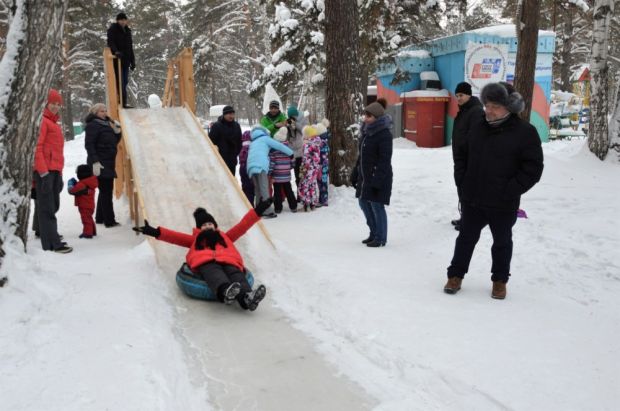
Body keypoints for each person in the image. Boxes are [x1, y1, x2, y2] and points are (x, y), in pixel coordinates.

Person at [444, 82, 544, 300]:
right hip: (473, 198)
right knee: (465, 239)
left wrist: (510, 190)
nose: (489, 110)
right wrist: (462, 181)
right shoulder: (477, 126)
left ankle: (499, 281)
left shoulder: (525, 132)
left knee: (502, 242)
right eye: (487, 105)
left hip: (503, 202)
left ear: (510, 107)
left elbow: (533, 168)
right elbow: (461, 153)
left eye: (495, 106)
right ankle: (455, 275)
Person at [133, 200, 273, 311]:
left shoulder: (225, 236)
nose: (207, 226)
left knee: (236, 274)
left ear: (215, 225)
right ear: (199, 229)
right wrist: (154, 232)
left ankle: (247, 297)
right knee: (214, 272)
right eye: (204, 225)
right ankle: (226, 292)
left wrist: (258, 211)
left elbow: (242, 226)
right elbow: (174, 237)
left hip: (230, 261)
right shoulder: (195, 240)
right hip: (206, 262)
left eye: (210, 224)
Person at [33, 89, 72, 253]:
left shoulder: (53, 124)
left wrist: (60, 174)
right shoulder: (43, 122)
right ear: (45, 103)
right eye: (53, 103)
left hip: (54, 171)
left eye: (58, 104)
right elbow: (37, 148)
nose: (56, 106)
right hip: (45, 171)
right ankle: (51, 243)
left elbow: (57, 152)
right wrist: (43, 173)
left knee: (52, 204)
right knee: (47, 207)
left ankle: (42, 231)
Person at [350, 98, 393, 248]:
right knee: (363, 202)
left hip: (378, 176)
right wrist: (355, 173)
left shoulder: (384, 134)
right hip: (365, 175)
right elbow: (361, 156)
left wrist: (377, 180)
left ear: (377, 118)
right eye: (365, 116)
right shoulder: (367, 133)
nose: (365, 118)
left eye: (369, 116)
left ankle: (381, 238)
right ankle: (373, 232)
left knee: (376, 205)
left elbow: (384, 160)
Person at [451, 82, 484, 231]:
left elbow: (475, 137)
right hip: (460, 158)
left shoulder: (475, 111)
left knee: (467, 190)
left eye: (461, 95)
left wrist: (468, 154)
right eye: (457, 95)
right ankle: (464, 217)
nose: (458, 98)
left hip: (468, 159)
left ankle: (469, 220)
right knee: (461, 188)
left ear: (469, 95)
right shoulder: (463, 111)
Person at [84, 103, 122, 228]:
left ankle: (100, 218)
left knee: (104, 190)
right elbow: (89, 145)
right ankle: (109, 221)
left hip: (108, 162)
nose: (104, 113)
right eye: (101, 111)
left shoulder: (105, 124)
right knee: (106, 191)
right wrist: (95, 161)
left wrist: (117, 132)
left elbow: (112, 143)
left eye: (105, 110)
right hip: (100, 162)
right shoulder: (93, 125)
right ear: (95, 113)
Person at [247, 125, 294, 218]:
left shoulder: (253, 142)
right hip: (260, 166)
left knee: (258, 189)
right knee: (264, 188)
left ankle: (259, 210)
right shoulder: (265, 138)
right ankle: (267, 211)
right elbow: (279, 145)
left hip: (250, 167)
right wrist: (290, 153)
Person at [107, 12, 135, 108]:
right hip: (117, 60)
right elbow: (110, 42)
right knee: (120, 82)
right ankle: (121, 103)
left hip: (126, 61)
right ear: (117, 20)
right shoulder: (113, 29)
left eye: (124, 20)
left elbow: (130, 47)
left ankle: (123, 103)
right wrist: (116, 52)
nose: (123, 22)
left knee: (125, 81)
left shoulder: (128, 31)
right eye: (121, 20)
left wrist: (133, 61)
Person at [208, 105, 242, 175]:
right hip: (220, 160)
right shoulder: (216, 126)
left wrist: (235, 152)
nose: (231, 116)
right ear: (224, 114)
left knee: (232, 180)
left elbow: (239, 141)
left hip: (232, 160)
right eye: (229, 114)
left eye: (233, 114)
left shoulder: (236, 126)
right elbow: (210, 142)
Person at [270, 128, 297, 213]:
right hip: (286, 175)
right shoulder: (288, 149)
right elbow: (292, 161)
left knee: (277, 192)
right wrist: (289, 167)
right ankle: (293, 206)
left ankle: (278, 208)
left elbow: (272, 162)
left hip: (276, 175)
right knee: (288, 191)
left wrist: (270, 172)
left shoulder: (273, 150)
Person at [68, 164, 99, 239]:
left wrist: (70, 184)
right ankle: (93, 231)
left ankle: (88, 233)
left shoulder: (82, 184)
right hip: (89, 205)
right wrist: (76, 184)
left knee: (86, 219)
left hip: (84, 206)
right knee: (89, 218)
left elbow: (72, 191)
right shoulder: (90, 182)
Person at [298, 125, 322, 212]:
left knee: (305, 185)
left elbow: (306, 157)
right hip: (315, 167)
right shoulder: (317, 142)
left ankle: (306, 204)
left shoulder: (308, 144)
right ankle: (313, 203)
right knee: (312, 184)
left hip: (308, 168)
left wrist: (303, 168)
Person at [285, 105, 307, 188]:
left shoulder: (303, 120)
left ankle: (302, 192)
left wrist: (295, 124)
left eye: (293, 116)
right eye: (291, 116)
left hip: (302, 153)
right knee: (296, 175)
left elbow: (305, 130)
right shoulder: (289, 122)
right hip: (293, 153)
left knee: (302, 175)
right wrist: (287, 126)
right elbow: (287, 137)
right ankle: (299, 193)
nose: (292, 118)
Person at [314, 119, 331, 207]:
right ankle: (324, 199)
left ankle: (323, 200)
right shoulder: (325, 140)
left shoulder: (319, 142)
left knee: (321, 182)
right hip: (325, 164)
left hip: (320, 165)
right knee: (323, 182)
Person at [239, 131, 254, 205]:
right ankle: (250, 205)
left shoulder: (242, 148)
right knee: (251, 188)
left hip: (242, 168)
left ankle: (245, 204)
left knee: (245, 187)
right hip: (249, 169)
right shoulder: (252, 147)